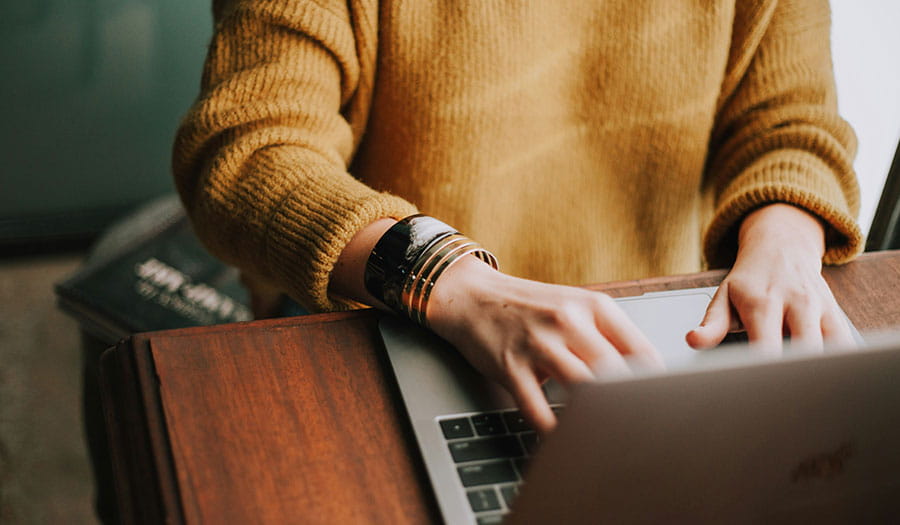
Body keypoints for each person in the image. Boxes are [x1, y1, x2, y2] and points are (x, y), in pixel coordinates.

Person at [173, 0, 862, 433]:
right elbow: (248, 151)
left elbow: (791, 121)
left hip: (656, 344)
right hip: (395, 324)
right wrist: (452, 280)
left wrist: (786, 239)